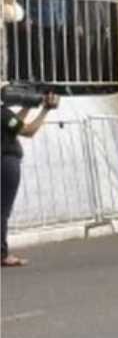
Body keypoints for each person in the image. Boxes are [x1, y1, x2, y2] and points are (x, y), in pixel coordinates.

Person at [2, 89, 60, 266]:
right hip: (6, 163)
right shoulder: (2, 113)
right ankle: (2, 254)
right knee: (2, 210)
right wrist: (45, 110)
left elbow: (13, 124)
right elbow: (28, 130)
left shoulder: (4, 115)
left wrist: (28, 105)